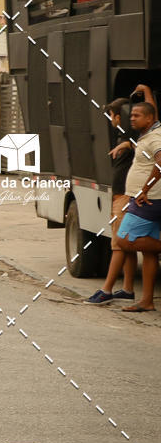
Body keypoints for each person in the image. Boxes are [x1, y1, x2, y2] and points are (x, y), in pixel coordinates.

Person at [85, 95, 139, 304]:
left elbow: (145, 146)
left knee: (118, 244)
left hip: (124, 196)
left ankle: (106, 290)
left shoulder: (132, 138)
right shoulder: (124, 136)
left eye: (111, 116)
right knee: (127, 245)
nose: (111, 121)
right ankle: (126, 289)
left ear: (118, 115)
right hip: (120, 194)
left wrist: (126, 144)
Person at [117, 100, 161, 313]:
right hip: (147, 198)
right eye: (131, 114)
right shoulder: (147, 136)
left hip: (149, 199)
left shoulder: (155, 137)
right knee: (149, 252)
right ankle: (147, 301)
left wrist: (145, 189)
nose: (132, 118)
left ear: (150, 118)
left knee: (124, 240)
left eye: (136, 115)